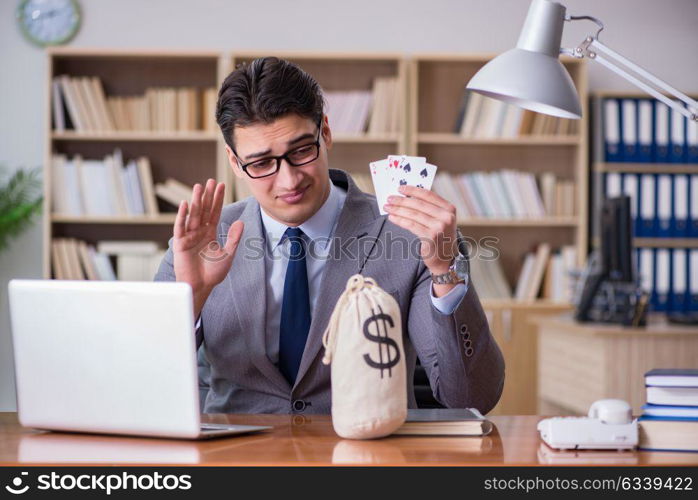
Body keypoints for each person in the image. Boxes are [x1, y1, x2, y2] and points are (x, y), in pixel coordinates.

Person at [155, 57, 504, 415]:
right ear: (234, 162)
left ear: (326, 132)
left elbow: (471, 399)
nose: (289, 181)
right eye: (261, 164)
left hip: (367, 455)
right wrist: (191, 299)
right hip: (236, 457)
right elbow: (147, 385)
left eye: (302, 150)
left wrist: (445, 271)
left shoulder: (410, 235)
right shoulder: (199, 242)